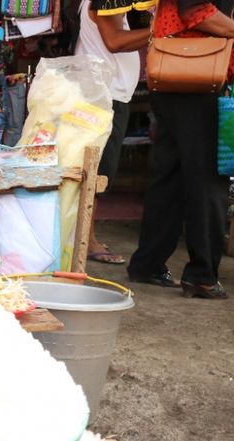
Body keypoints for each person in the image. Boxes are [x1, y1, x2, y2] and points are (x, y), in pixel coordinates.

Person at [127, 0, 234, 298]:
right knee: (206, 178)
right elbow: (195, 12)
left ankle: (148, 264)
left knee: (170, 175)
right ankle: (201, 276)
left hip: (178, 76)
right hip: (197, 77)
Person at [75, 0, 150, 265]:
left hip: (105, 91)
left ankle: (85, 236)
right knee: (97, 172)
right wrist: (162, 30)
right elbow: (115, 41)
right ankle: (86, 241)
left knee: (96, 171)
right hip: (104, 94)